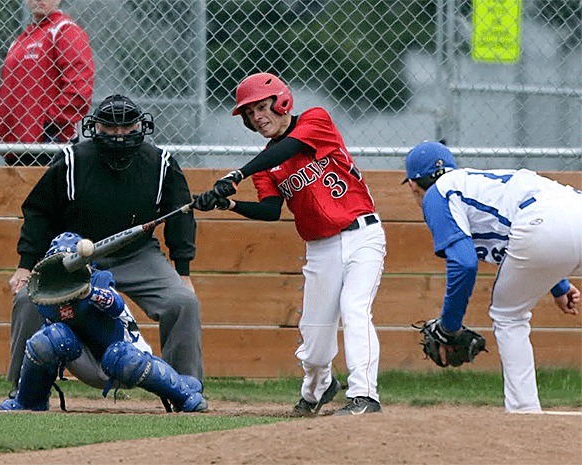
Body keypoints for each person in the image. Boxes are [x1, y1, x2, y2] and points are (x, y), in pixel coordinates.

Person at [192, 72, 387, 416]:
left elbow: (290, 147)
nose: (258, 117)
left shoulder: (315, 120)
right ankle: (319, 389)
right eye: (251, 114)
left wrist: (236, 174)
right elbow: (270, 211)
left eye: (262, 107)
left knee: (355, 310)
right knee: (313, 346)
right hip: (321, 249)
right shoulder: (266, 168)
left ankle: (365, 396)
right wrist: (229, 204)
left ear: (281, 102)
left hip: (362, 236)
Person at [6, 94, 203, 399]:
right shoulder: (72, 160)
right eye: (110, 128)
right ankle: (24, 388)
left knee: (183, 302)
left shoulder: (160, 163)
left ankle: (187, 388)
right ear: (95, 127)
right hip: (74, 258)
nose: (119, 134)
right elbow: (40, 212)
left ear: (140, 126)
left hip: (137, 254)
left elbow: (180, 216)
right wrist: (26, 264)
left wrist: (184, 271)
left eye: (127, 127)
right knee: (26, 301)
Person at [402, 140, 581, 413]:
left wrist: (449, 327)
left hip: (542, 222)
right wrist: (559, 285)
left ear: (414, 185)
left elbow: (463, 264)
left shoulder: (437, 195)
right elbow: (519, 227)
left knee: (509, 315)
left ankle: (523, 409)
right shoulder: (472, 182)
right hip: (570, 203)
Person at [0, 232, 207, 413]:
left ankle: (183, 392)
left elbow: (115, 305)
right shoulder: (47, 295)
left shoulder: (100, 279)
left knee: (119, 357)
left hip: (124, 356)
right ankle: (28, 401)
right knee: (49, 338)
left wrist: (89, 293)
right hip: (82, 356)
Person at [0, 0, 95, 166]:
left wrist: (47, 125)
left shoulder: (65, 30)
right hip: (17, 147)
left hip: (50, 145)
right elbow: (6, 93)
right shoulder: (19, 42)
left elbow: (80, 88)